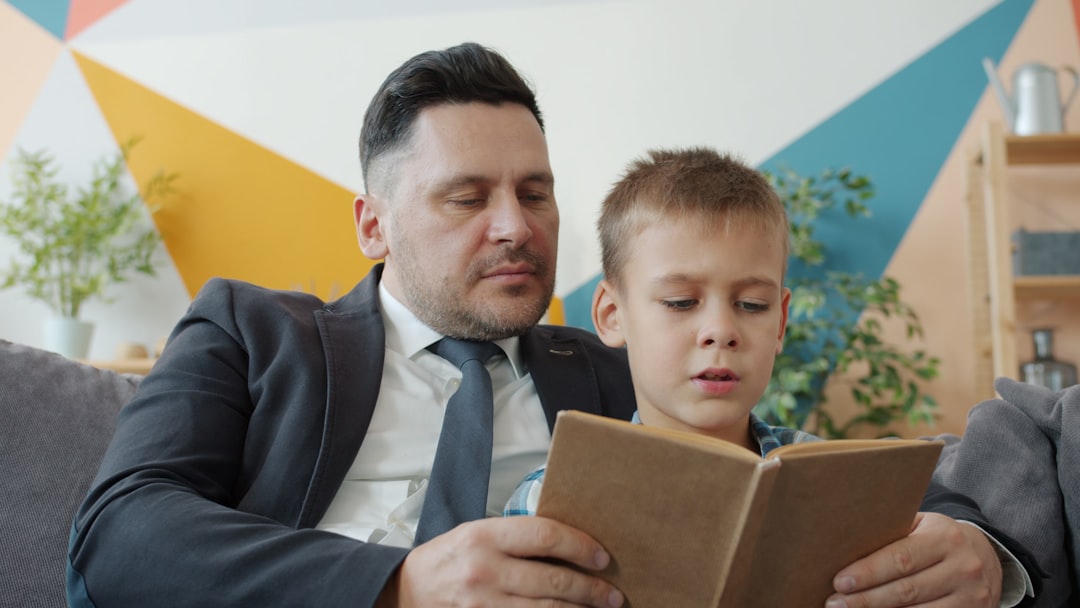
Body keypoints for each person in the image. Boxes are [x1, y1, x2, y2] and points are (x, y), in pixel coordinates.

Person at [66, 41, 1034, 608]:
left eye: (536, 190)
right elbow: (117, 536)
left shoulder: (623, 355)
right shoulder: (253, 327)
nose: (517, 225)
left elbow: (804, 480)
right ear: (373, 222)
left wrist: (979, 551)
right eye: (466, 196)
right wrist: (398, 585)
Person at [504, 147, 1040, 608]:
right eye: (680, 301)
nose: (721, 330)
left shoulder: (837, 479)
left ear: (781, 320)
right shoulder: (549, 495)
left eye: (751, 304)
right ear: (612, 314)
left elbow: (952, 533)